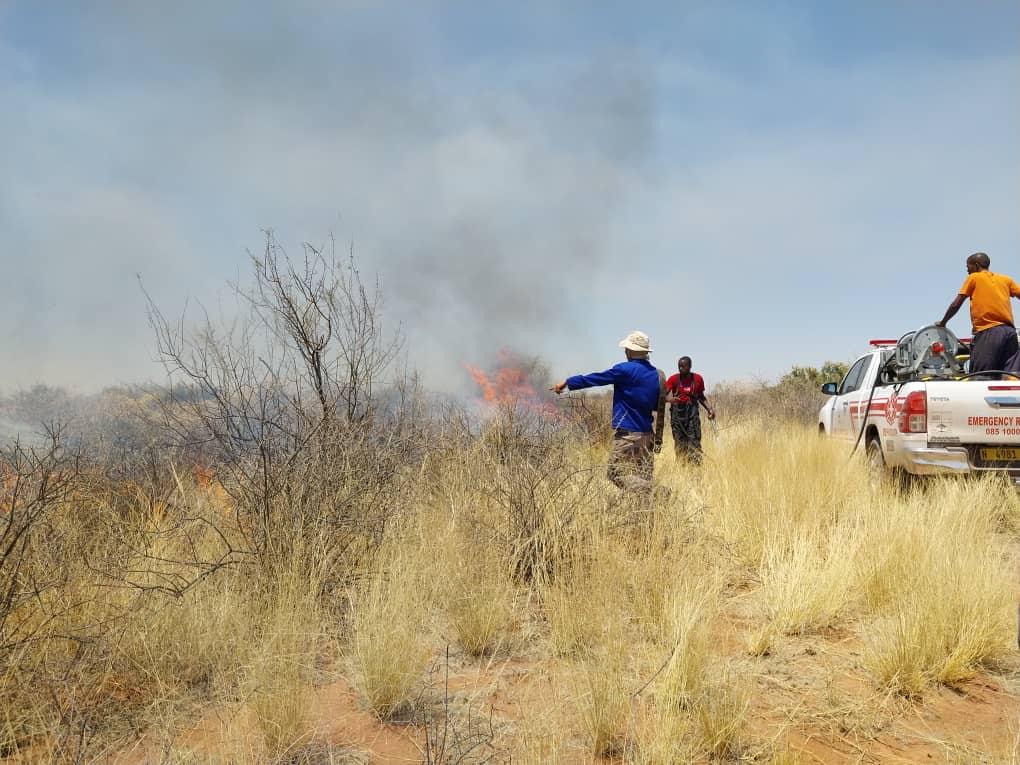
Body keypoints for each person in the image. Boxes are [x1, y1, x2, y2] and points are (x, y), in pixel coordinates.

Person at [550, 330, 666, 493]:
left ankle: (659, 492)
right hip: (648, 435)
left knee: (615, 474)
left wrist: (568, 383)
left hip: (628, 436)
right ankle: (650, 504)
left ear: (630, 350)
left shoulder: (624, 370)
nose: (625, 352)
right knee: (642, 477)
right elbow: (656, 406)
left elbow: (596, 379)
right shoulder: (657, 374)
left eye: (626, 349)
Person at [936, 252, 1020, 374]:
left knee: (981, 375)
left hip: (989, 331)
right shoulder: (1005, 279)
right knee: (1010, 376)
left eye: (968, 266)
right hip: (1010, 333)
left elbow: (956, 304)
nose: (967, 270)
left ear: (976, 265)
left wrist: (943, 322)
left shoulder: (974, 277)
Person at [665, 356, 715, 464]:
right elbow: (662, 396)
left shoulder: (698, 379)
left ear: (690, 366)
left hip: (692, 415)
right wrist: (670, 399)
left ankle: (696, 469)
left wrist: (709, 409)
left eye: (683, 366)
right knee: (680, 444)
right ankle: (682, 468)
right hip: (677, 416)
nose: (680, 368)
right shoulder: (673, 379)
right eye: (679, 366)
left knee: (694, 442)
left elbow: (701, 396)